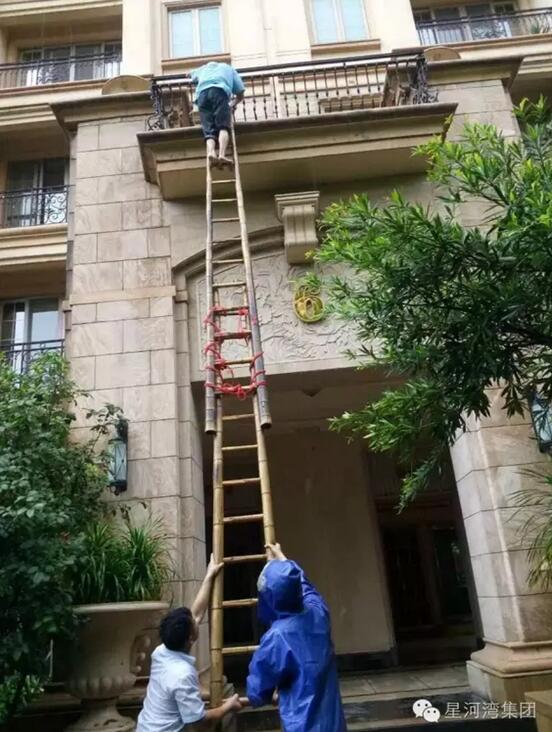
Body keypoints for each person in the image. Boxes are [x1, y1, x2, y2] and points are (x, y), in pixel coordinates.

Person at [246, 543, 347, 732]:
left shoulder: (276, 638)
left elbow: (257, 691)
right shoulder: (318, 614)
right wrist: (283, 559)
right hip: (334, 724)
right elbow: (305, 587)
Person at [137, 555, 242, 731]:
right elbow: (199, 721)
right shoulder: (182, 674)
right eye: (194, 624)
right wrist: (228, 706)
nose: (196, 620)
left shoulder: (161, 651)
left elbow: (197, 613)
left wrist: (209, 575)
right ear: (190, 639)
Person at [191, 61, 245, 168]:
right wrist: (232, 104)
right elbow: (240, 93)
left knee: (208, 129)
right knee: (223, 126)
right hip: (219, 91)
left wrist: (190, 74)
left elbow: (190, 75)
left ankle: (211, 152)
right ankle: (221, 154)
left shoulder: (202, 69)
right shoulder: (228, 69)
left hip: (202, 96)